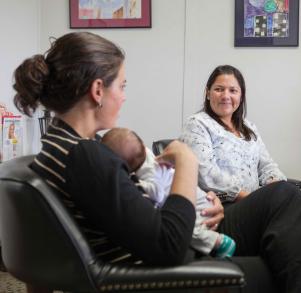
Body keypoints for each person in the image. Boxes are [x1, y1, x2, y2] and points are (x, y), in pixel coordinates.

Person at [13, 32, 201, 267]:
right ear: (98, 90)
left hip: (174, 236)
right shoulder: (85, 157)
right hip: (166, 273)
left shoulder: (61, 143)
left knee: (263, 204)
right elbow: (169, 246)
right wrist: (187, 160)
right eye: (121, 87)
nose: (123, 97)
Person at [180, 64, 301, 292]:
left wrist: (275, 181)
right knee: (285, 197)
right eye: (219, 89)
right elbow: (205, 173)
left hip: (255, 208)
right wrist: (251, 197)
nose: (226, 96)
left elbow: (267, 164)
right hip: (220, 212)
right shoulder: (197, 124)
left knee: (287, 201)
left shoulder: (248, 128)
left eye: (233, 90)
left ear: (241, 95)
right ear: (207, 92)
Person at [101, 127, 236, 257]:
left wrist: (138, 185)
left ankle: (220, 243)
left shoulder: (149, 174)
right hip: (203, 197)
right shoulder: (145, 153)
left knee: (186, 232)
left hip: (199, 206)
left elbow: (157, 194)